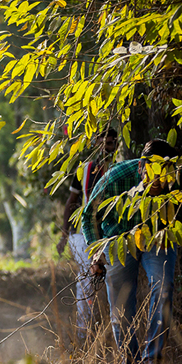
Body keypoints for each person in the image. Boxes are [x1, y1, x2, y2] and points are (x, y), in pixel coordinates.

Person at [81, 139, 182, 364]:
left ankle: (153, 362)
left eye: (166, 177)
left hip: (157, 235)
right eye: (154, 175)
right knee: (121, 305)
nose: (160, 183)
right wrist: (96, 252)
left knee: (163, 286)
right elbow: (88, 215)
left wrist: (171, 231)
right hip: (118, 238)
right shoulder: (116, 178)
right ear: (142, 167)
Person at [57, 129, 118, 343]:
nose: (107, 145)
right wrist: (65, 235)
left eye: (110, 142)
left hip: (110, 233)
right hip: (83, 234)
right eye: (103, 141)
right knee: (87, 280)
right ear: (96, 142)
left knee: (111, 280)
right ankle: (84, 335)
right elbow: (72, 201)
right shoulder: (84, 169)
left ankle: (111, 333)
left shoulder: (119, 166)